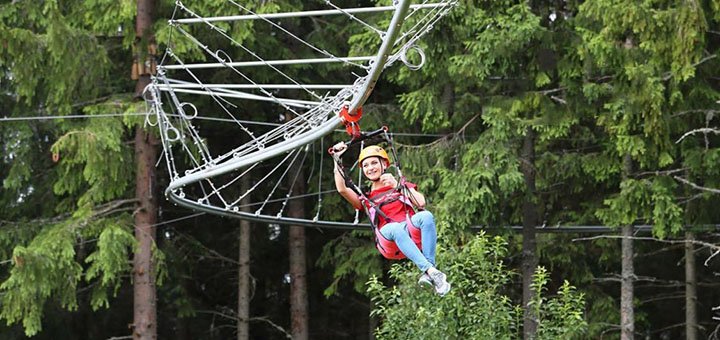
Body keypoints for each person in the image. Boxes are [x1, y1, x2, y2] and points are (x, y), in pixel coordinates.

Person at [332, 142, 451, 296]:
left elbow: (420, 203)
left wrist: (397, 184)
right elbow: (342, 189)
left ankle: (431, 272)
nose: (370, 168)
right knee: (395, 228)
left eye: (374, 163)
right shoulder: (366, 198)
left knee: (426, 216)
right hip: (388, 239)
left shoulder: (399, 186)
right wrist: (336, 160)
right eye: (366, 165)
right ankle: (429, 269)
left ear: (384, 165)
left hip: (409, 232)